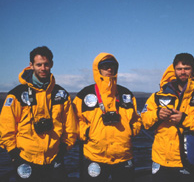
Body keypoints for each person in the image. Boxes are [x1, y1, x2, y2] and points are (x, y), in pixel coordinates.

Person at [0, 46, 78, 182]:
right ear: (31, 65)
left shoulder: (61, 95)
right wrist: (14, 155)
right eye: (39, 65)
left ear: (51, 65)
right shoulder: (17, 95)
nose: (43, 68)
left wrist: (63, 152)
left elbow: (71, 128)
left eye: (46, 64)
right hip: (25, 159)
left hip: (55, 160)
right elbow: (6, 129)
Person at [141, 53, 194, 182]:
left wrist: (185, 120)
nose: (182, 72)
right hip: (160, 160)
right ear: (174, 70)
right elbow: (144, 120)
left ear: (193, 70)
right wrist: (157, 114)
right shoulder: (157, 96)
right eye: (179, 69)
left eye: (187, 68)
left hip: (187, 162)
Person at [73, 52, 142, 182]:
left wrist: (131, 131)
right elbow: (75, 121)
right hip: (95, 156)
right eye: (105, 66)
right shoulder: (84, 95)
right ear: (97, 69)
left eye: (112, 66)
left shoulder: (126, 94)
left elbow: (137, 119)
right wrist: (87, 132)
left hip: (123, 156)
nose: (109, 69)